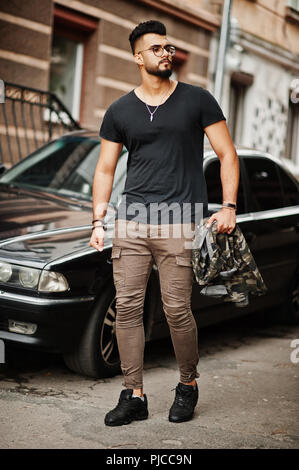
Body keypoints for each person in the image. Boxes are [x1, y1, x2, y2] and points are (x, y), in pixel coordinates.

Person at [89, 20, 239, 426]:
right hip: (132, 222)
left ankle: (187, 384)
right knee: (128, 310)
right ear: (137, 57)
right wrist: (98, 217)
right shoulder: (119, 110)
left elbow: (227, 153)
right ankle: (133, 393)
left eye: (168, 48)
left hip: (179, 222)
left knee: (176, 310)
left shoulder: (197, 100)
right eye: (156, 48)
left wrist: (228, 206)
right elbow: (105, 169)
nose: (165, 53)